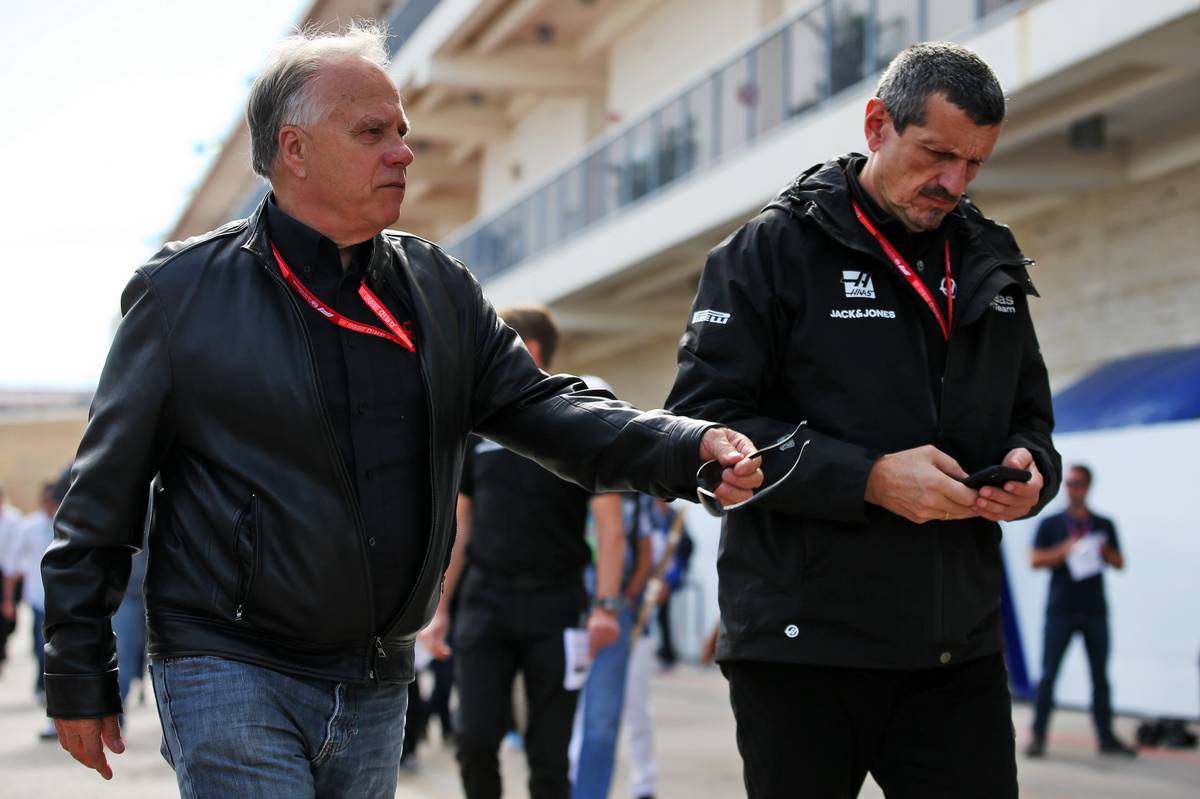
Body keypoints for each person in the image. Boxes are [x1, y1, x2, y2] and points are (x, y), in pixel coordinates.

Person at [41, 23, 762, 798]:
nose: (403, 151)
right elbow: (102, 499)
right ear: (295, 149)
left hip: (379, 673)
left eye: (403, 131)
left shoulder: (437, 288)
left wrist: (685, 445)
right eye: (372, 132)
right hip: (228, 661)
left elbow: (542, 404)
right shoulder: (181, 295)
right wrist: (78, 665)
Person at [665, 41, 1061, 798]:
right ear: (877, 124)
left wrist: (1030, 473)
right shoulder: (769, 251)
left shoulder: (990, 261)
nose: (953, 182)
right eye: (937, 154)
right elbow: (703, 422)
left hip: (957, 650)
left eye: (974, 164)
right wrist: (869, 479)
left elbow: (1032, 421)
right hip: (802, 651)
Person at [419, 308, 627, 799]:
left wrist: (607, 606)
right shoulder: (478, 424)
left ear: (528, 350)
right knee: (473, 740)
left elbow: (611, 527)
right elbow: (460, 524)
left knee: (549, 754)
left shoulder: (581, 417)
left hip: (556, 606)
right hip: (485, 604)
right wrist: (441, 607)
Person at [1027, 464, 1135, 757]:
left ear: (1088, 486)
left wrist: (1101, 551)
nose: (1074, 488)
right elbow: (1034, 560)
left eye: (1079, 483)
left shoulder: (1103, 524)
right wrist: (1064, 551)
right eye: (1070, 483)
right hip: (1060, 611)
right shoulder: (1051, 524)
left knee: (1100, 676)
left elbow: (1120, 562)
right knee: (1049, 676)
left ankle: (1106, 737)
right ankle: (1038, 737)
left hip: (1094, 611)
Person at [569, 490, 655, 799]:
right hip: (562, 605)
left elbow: (645, 550)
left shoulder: (634, 490)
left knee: (602, 720)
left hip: (613, 612)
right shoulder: (561, 471)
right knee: (557, 715)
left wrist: (624, 600)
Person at [3, 471, 69, 738]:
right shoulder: (29, 527)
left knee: (57, 653)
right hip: (37, 598)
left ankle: (52, 698)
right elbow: (12, 564)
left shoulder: (73, 523)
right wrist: (9, 599)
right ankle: (45, 690)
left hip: (66, 602)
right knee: (38, 648)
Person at [0, 484, 23, 676]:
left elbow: (14, 555)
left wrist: (8, 596)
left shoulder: (13, 519)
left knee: (7, 621)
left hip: (8, 575)